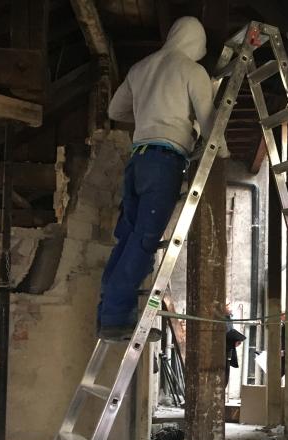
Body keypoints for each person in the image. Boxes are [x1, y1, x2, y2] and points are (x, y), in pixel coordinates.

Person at [97, 16, 216, 341]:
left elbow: (115, 111)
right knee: (144, 241)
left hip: (138, 160)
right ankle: (116, 319)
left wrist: (148, 116)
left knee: (128, 237)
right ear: (196, 43)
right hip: (164, 162)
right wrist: (220, 150)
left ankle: (108, 315)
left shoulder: (141, 68)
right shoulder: (192, 70)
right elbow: (209, 123)